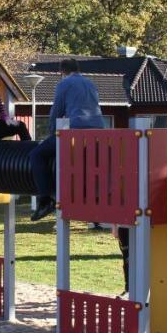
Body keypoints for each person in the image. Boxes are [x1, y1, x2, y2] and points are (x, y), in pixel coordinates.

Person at [29, 59, 104, 221]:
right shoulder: (90, 83)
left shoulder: (65, 84)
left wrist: (51, 134)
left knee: (37, 154)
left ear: (62, 72)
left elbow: (57, 111)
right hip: (98, 134)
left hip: (76, 133)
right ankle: (92, 199)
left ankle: (45, 199)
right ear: (77, 69)